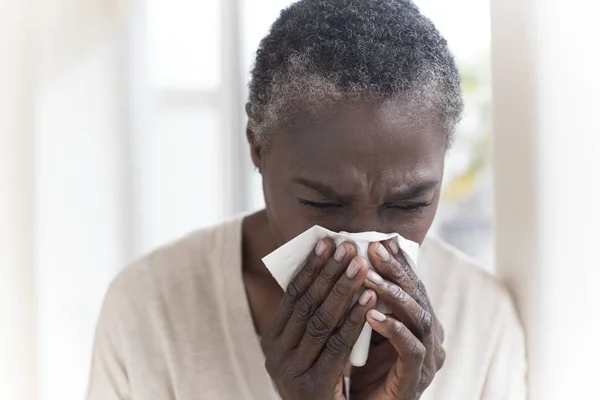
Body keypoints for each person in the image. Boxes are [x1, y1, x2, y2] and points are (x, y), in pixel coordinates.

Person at [87, 0, 526, 399]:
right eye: (323, 204)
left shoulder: (480, 320)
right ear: (257, 147)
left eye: (410, 205)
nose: (363, 243)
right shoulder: (149, 311)